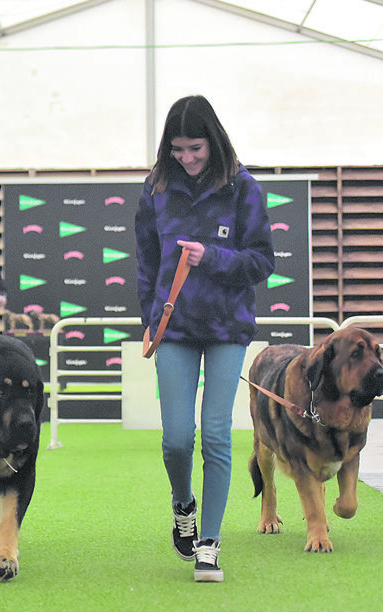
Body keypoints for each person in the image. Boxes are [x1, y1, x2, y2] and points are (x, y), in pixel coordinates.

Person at [134, 94, 274, 582]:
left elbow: (262, 261)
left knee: (215, 434)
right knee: (176, 440)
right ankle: (183, 506)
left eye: (195, 148)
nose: (187, 157)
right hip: (172, 327)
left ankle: (209, 542)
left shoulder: (243, 188)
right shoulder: (154, 189)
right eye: (177, 149)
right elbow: (147, 263)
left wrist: (212, 256)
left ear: (212, 142)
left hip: (227, 327)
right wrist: (149, 316)